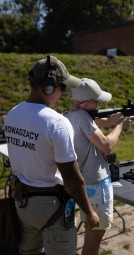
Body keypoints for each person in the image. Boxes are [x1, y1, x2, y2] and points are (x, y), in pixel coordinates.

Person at [4, 56, 99, 255]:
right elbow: (72, 179)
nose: (63, 93)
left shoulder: (12, 114)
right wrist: (89, 213)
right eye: (61, 88)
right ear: (49, 87)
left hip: (22, 202)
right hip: (52, 205)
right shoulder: (56, 122)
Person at [64, 78, 132, 255]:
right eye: (97, 102)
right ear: (86, 104)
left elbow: (100, 122)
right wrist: (120, 126)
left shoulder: (69, 115)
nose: (100, 106)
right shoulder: (83, 118)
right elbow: (107, 145)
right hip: (96, 184)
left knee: (90, 232)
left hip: (86, 184)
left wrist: (116, 118)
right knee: (94, 240)